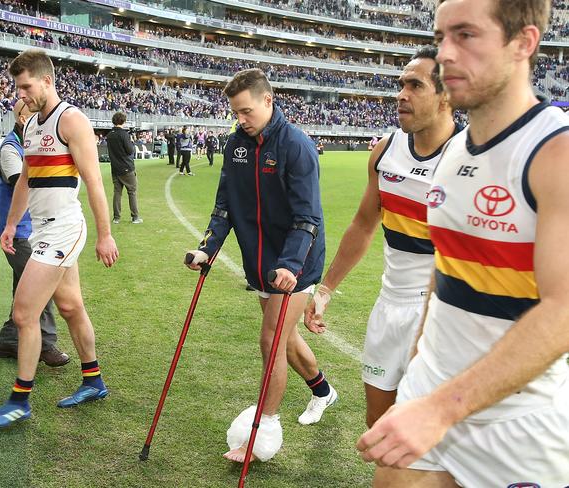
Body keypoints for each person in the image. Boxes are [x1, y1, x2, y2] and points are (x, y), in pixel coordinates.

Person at [357, 1, 569, 486]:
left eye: (466, 35)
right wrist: (419, 360)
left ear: (524, 43)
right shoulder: (453, 151)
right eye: (441, 37)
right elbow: (446, 265)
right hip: (430, 387)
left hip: (517, 419)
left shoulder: (555, 153)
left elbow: (563, 312)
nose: (446, 54)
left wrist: (442, 408)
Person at [186, 68, 336, 463]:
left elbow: (308, 217)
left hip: (296, 262)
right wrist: (206, 248)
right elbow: (225, 205)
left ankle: (264, 430)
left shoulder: (297, 145)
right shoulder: (236, 143)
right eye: (236, 112)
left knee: (271, 339)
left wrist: (289, 265)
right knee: (284, 338)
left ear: (268, 100)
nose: (241, 119)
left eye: (247, 111)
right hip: (259, 262)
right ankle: (323, 390)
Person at [304, 46, 459, 429]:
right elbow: (362, 224)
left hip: (441, 311)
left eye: (415, 85)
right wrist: (325, 290)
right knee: (379, 425)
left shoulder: (470, 160)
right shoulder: (386, 151)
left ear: (447, 96)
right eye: (401, 84)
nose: (401, 94)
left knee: (431, 433)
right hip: (390, 304)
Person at [0, 49, 119, 429]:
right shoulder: (29, 127)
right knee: (72, 307)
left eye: (25, 86)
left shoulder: (71, 120)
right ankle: (93, 380)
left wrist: (105, 235)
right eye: (17, 86)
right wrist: (11, 225)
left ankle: (19, 400)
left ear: (46, 80)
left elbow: (93, 181)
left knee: (24, 313)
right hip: (42, 229)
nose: (20, 93)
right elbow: (25, 180)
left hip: (64, 228)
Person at [0, 100, 70, 368]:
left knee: (23, 286)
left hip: (31, 230)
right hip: (19, 233)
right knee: (41, 287)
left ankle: (9, 340)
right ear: (23, 119)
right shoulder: (10, 150)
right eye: (36, 116)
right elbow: (22, 183)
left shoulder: (26, 145)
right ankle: (46, 345)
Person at [106, 112, 142, 224]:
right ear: (123, 121)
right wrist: (131, 142)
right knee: (132, 191)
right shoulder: (124, 134)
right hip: (126, 167)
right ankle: (135, 216)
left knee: (117, 192)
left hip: (115, 167)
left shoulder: (110, 135)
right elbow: (130, 150)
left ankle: (116, 217)